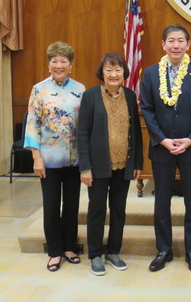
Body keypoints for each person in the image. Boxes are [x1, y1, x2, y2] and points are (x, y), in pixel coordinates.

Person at [140, 24, 191, 274]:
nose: (176, 45)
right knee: (162, 201)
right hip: (162, 148)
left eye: (181, 40)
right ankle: (164, 249)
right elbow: (147, 109)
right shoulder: (150, 74)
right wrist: (161, 139)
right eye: (171, 40)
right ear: (163, 44)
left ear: (188, 44)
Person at [77, 52, 143, 276]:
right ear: (102, 73)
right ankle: (95, 254)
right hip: (97, 167)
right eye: (109, 70)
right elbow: (82, 134)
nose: (114, 74)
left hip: (123, 165)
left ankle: (113, 251)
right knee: (96, 210)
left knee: (118, 210)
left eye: (118, 70)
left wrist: (137, 162)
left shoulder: (131, 95)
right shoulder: (90, 96)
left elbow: (136, 133)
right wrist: (84, 167)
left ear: (124, 73)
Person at [24, 41, 86, 272]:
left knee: (71, 205)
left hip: (74, 159)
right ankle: (54, 251)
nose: (58, 65)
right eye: (54, 60)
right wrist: (36, 158)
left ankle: (70, 246)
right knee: (51, 206)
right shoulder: (39, 89)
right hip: (48, 159)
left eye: (63, 61)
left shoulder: (81, 89)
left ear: (71, 64)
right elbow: (33, 125)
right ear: (48, 63)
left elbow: (84, 127)